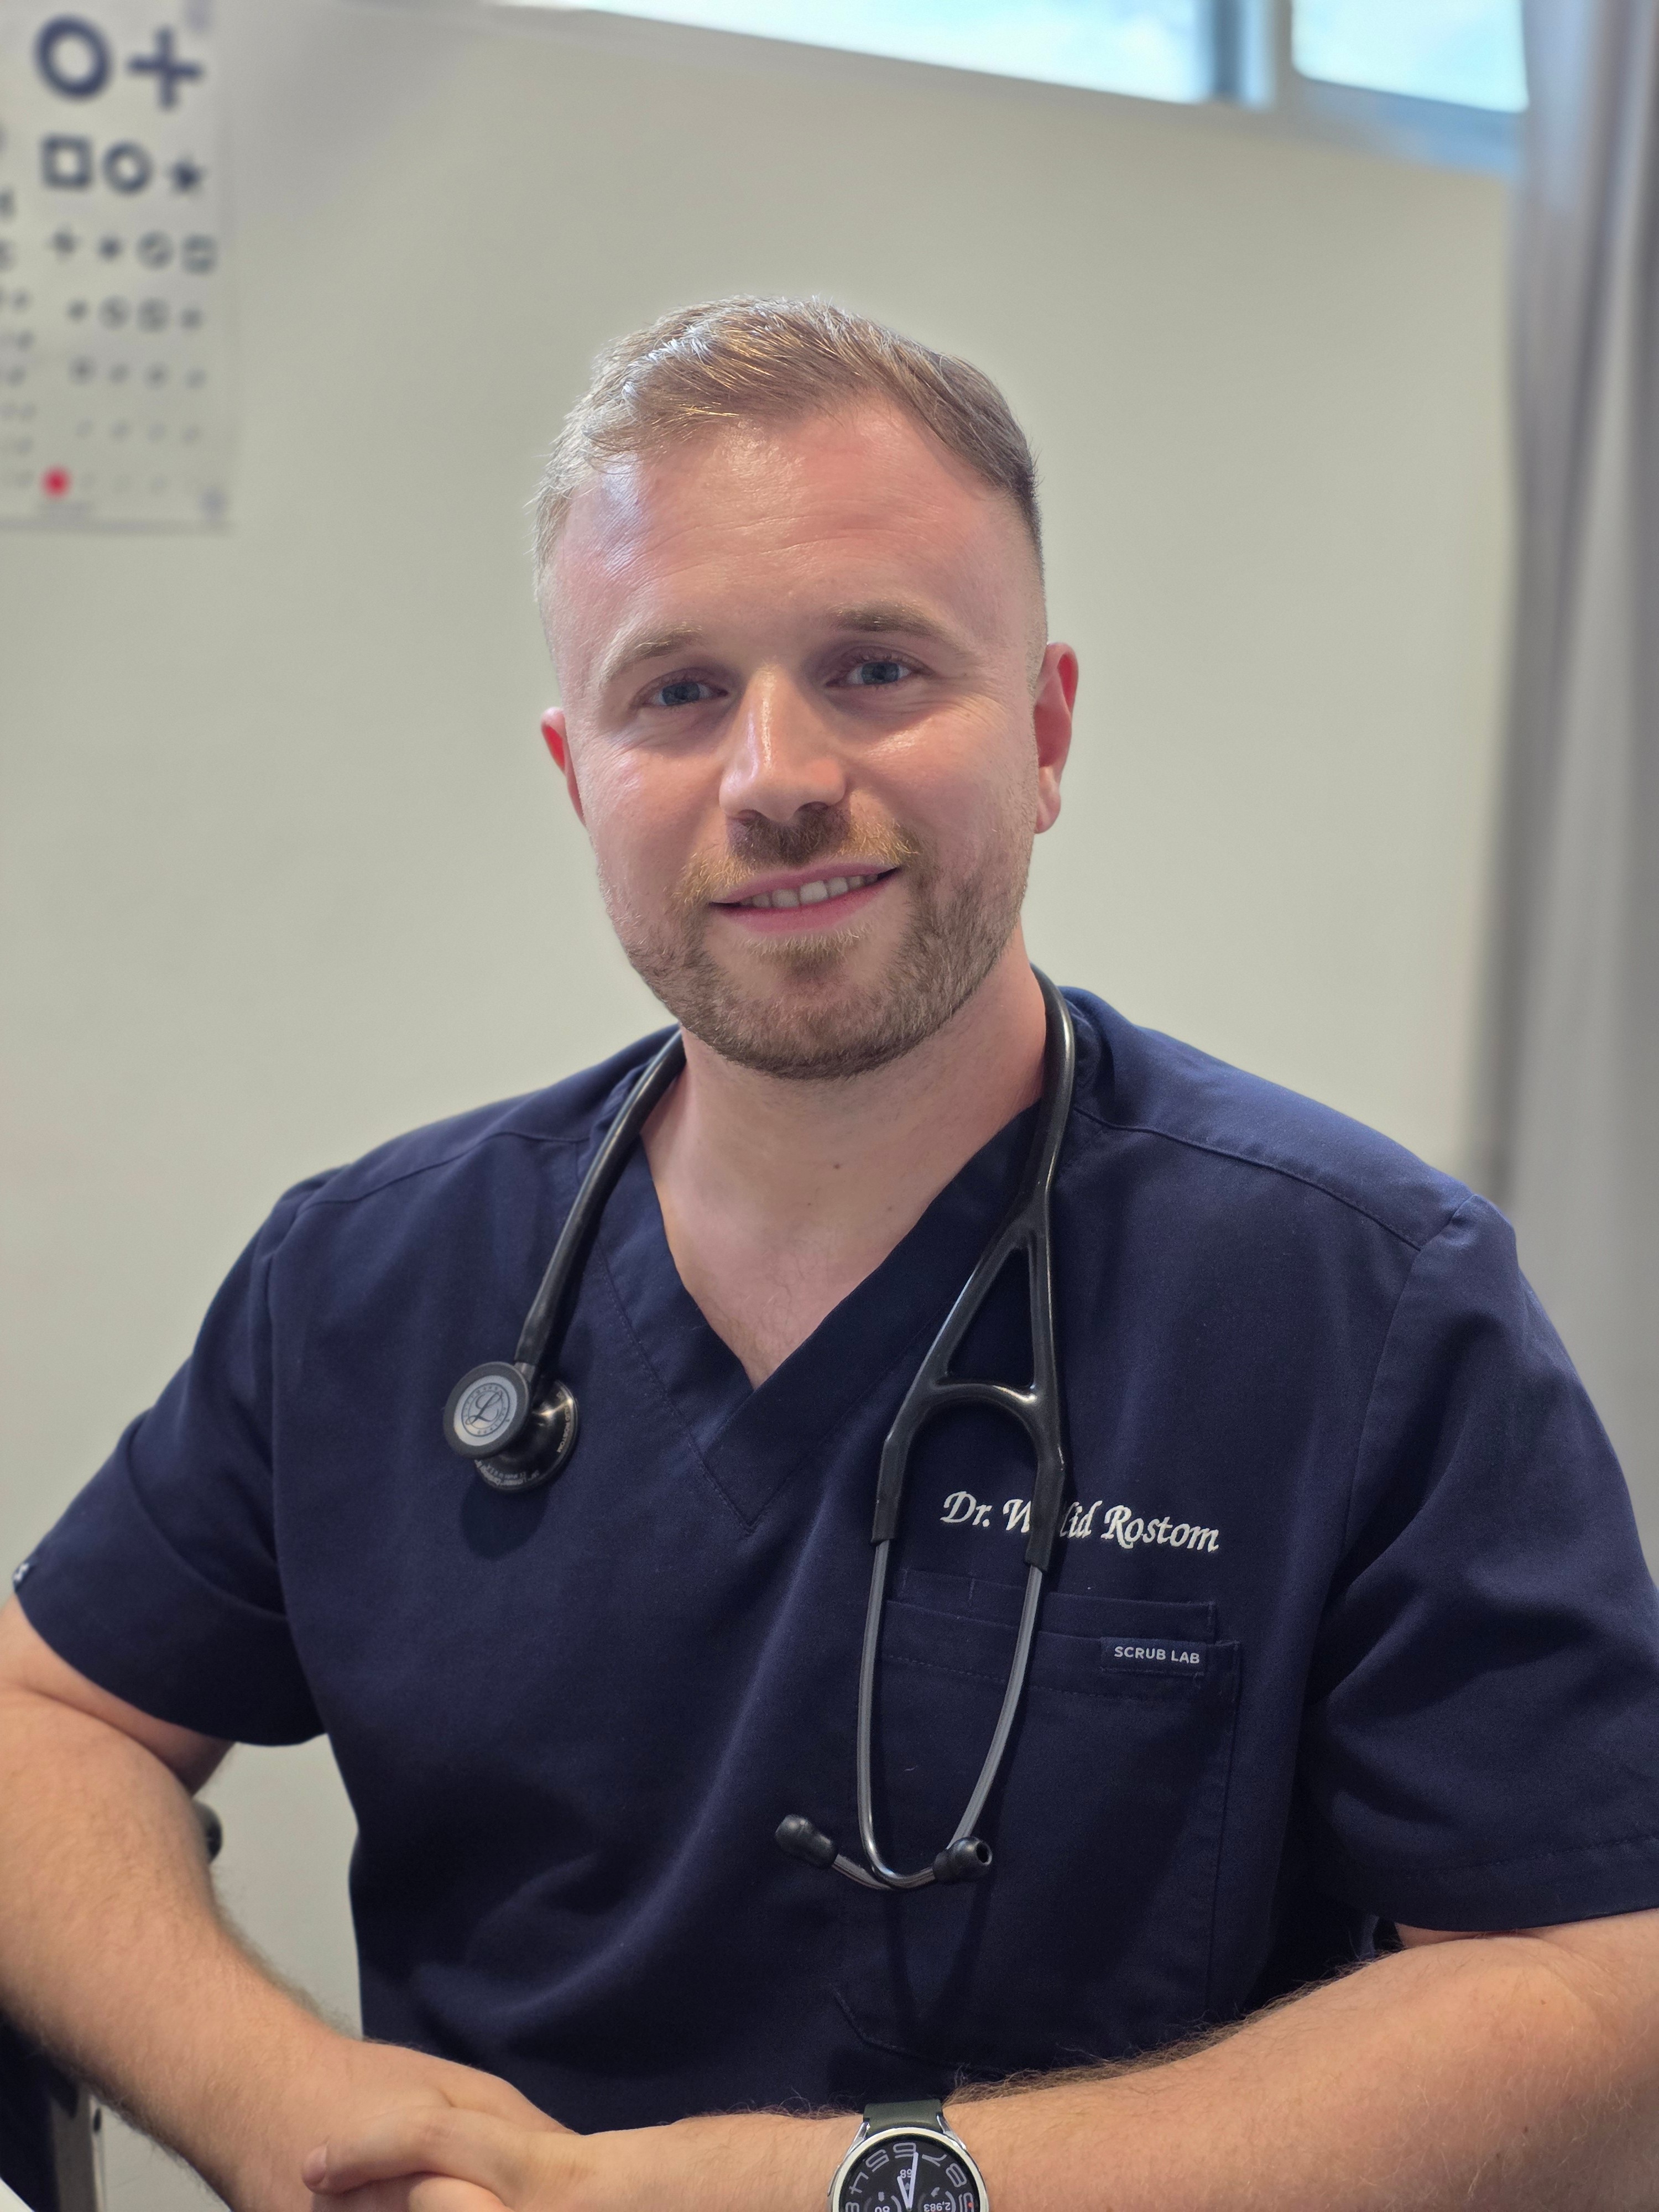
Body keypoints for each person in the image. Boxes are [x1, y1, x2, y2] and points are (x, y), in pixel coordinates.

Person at [2, 295, 1658, 2212]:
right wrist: (282, 2104)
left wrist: (854, 2191)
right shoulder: (367, 1281)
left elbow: (1595, 1993)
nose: (775, 774)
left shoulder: (1363, 1303)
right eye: (677, 693)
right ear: (579, 772)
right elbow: (46, 1719)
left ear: (1044, 732)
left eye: (876, 668)